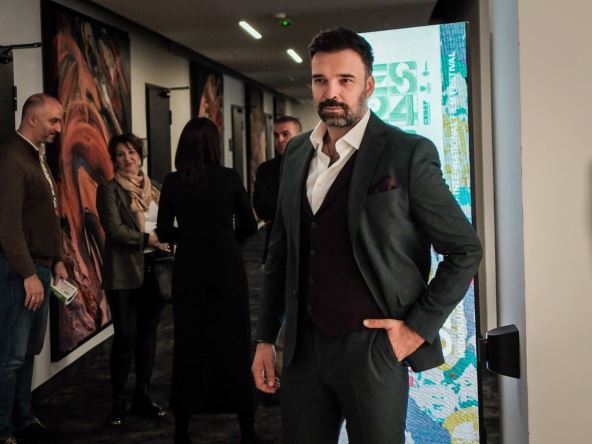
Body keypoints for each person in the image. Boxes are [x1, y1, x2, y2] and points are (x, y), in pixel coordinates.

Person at [251, 28, 483, 444]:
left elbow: (465, 249)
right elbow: (280, 254)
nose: (331, 92)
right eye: (320, 80)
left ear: (369, 85)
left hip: (373, 348)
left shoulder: (406, 152)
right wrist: (265, 338)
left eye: (345, 80)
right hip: (303, 349)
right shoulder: (297, 153)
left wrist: (415, 330)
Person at [156, 117, 259, 444]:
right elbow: (250, 225)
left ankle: (182, 430)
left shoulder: (172, 182)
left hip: (190, 268)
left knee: (189, 345)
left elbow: (164, 230)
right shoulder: (229, 178)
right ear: (214, 145)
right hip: (226, 266)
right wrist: (226, 239)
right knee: (235, 343)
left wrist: (189, 238)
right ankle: (247, 429)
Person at [0, 93, 68, 444]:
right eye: (54, 120)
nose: (59, 128)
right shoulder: (12, 157)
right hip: (19, 274)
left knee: (27, 352)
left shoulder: (35, 155)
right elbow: (8, 225)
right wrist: (28, 274)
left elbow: (46, 214)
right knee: (11, 356)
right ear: (31, 119)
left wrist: (57, 258)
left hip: (40, 268)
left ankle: (22, 417)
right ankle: (3, 429)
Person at [96, 133, 168, 427]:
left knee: (148, 335)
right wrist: (147, 238)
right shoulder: (109, 189)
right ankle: (117, 402)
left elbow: (168, 222)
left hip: (155, 270)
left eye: (131, 152)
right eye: (120, 154)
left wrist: (168, 237)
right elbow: (114, 230)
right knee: (126, 336)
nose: (127, 159)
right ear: (114, 160)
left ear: (140, 155)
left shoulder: (156, 188)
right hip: (123, 273)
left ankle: (142, 396)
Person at [252, 116, 302, 264]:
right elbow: (262, 208)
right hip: (275, 246)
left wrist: (278, 206)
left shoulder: (313, 165)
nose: (280, 140)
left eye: (285, 134)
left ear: (300, 136)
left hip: (308, 246)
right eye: (276, 135)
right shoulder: (266, 170)